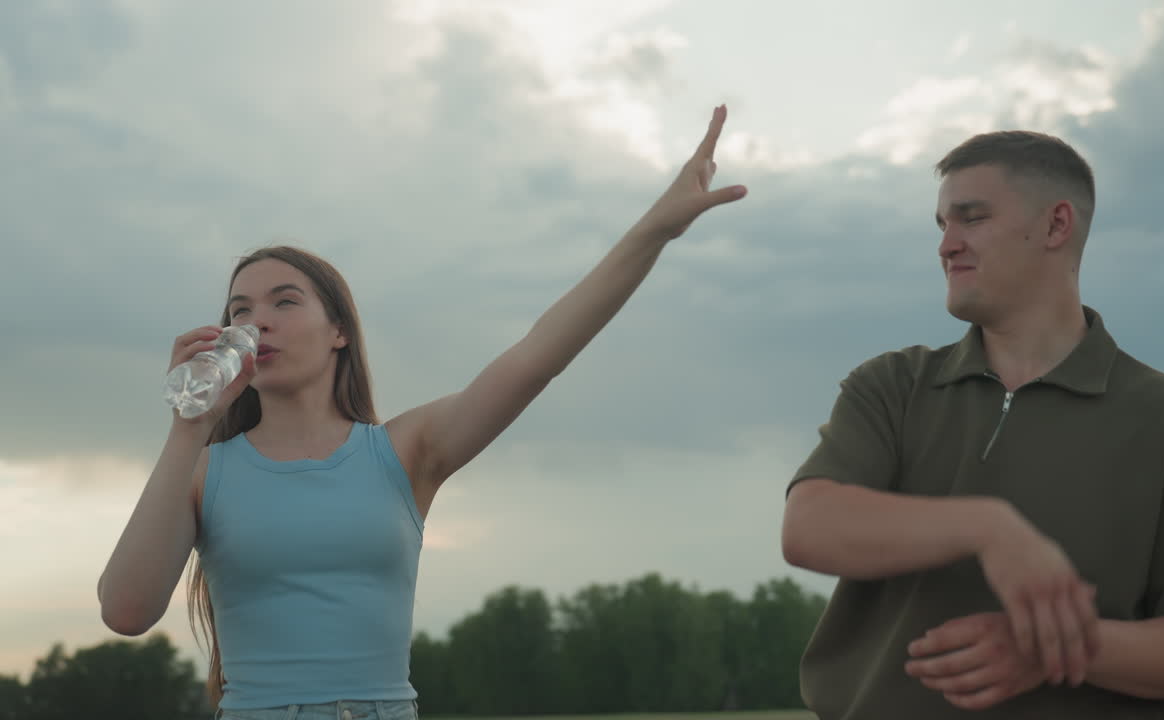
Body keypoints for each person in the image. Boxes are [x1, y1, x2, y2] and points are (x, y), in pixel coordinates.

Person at [97, 106, 747, 718]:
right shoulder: (203, 469)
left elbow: (537, 356)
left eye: (284, 302)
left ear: (338, 331)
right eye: (239, 310)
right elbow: (126, 610)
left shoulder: (405, 450)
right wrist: (188, 426)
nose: (255, 321)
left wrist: (655, 229)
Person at [781, 130, 1164, 719]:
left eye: (970, 218)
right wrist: (988, 528)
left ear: (1056, 226)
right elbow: (809, 527)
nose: (946, 245)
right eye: (941, 225)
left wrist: (1061, 650)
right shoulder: (893, 386)